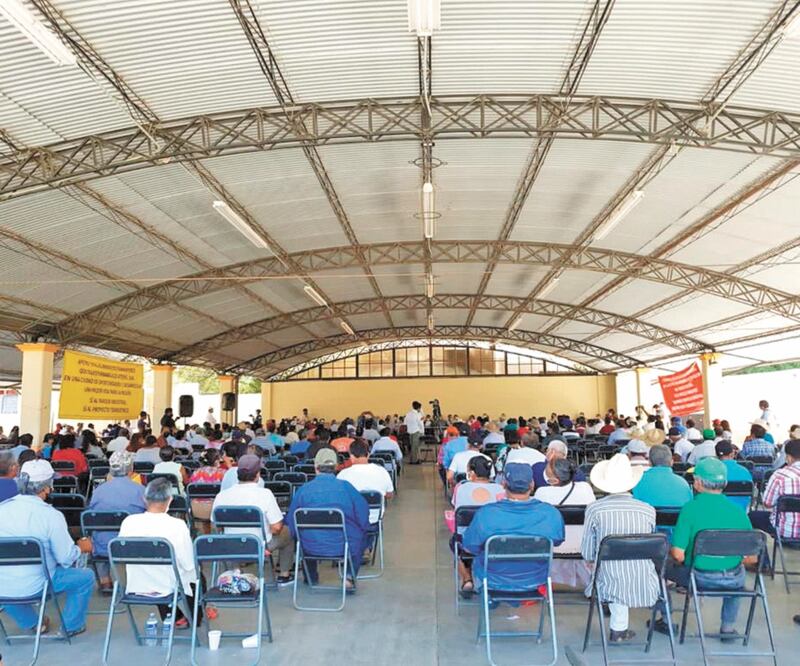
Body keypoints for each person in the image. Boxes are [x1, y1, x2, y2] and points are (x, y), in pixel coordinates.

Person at [650, 457, 755, 640]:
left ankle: (666, 620)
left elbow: (678, 554)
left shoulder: (690, 509)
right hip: (734, 580)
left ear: (697, 483)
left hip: (698, 577)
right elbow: (752, 558)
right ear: (724, 483)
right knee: (739, 570)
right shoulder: (738, 511)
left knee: (658, 566)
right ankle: (728, 628)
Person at [0, 459, 94, 637]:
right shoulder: (50, 515)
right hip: (39, 584)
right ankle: (71, 626)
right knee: (85, 577)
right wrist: (81, 547)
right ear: (47, 487)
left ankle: (34, 623)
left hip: (2, 585)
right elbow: (66, 558)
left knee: (8, 581)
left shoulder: (2, 509)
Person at [581, 454, 656, 643]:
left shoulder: (594, 509)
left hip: (608, 581)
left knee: (609, 568)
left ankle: (619, 629)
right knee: (622, 567)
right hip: (645, 580)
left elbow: (588, 552)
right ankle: (618, 629)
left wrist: (592, 560)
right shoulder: (647, 509)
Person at [462, 463, 564, 592]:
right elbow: (558, 540)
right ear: (532, 484)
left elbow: (470, 546)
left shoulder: (486, 514)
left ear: (503, 484)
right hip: (536, 578)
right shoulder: (550, 513)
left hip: (492, 578)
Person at [118, 478, 199, 628]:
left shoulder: (129, 522)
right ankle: (197, 618)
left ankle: (174, 617)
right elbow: (188, 564)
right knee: (196, 579)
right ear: (170, 500)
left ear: (144, 499)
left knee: (155, 570)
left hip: (138, 583)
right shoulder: (177, 525)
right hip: (167, 586)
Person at [286, 449, 370, 590]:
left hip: (310, 545)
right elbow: (363, 514)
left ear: (315, 466)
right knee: (361, 536)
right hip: (344, 544)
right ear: (337, 466)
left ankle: (311, 577)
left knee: (301, 535)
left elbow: (291, 521)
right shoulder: (346, 488)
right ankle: (349, 577)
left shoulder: (303, 490)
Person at [212, 454, 295, 585]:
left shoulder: (221, 496)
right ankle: (284, 574)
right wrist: (264, 529)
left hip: (231, 545)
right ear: (257, 474)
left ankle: (236, 571)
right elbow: (277, 527)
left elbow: (217, 526)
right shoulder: (265, 494)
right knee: (288, 532)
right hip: (258, 545)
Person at [87, 451, 146, 592]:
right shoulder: (140, 490)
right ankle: (134, 579)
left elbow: (90, 516)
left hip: (103, 546)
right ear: (131, 470)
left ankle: (104, 580)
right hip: (132, 545)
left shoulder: (98, 491)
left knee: (99, 532)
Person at [534, 458, 595, 588]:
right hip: (582, 545)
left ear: (555, 480)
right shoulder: (585, 488)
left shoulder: (542, 493)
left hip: (553, 545)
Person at [450, 456, 506, 595]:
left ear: (472, 473)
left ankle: (467, 579)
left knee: (456, 542)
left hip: (467, 542)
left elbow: (456, 507)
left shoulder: (461, 488)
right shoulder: (500, 489)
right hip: (496, 541)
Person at [749, 439, 800, 541]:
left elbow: (767, 504)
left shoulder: (780, 475)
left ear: (789, 458)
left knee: (752, 516)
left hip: (785, 530)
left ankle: (763, 555)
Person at [337, 439, 394, 513]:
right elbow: (389, 494)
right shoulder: (382, 471)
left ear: (351, 457)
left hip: (352, 519)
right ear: (368, 454)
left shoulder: (342, 475)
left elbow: (339, 497)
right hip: (374, 517)